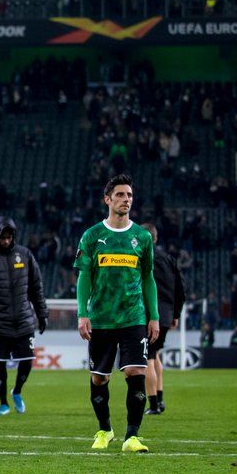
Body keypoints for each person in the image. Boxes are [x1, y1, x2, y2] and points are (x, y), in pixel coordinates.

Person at [75, 174, 159, 453]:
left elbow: (148, 278)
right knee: (99, 377)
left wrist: (154, 316)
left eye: (129, 195)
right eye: (120, 195)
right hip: (101, 318)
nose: (126, 199)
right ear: (107, 200)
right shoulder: (92, 236)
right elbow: (84, 277)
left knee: (136, 371)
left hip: (134, 317)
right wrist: (83, 313)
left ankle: (132, 436)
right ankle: (105, 430)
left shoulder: (142, 238)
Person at [0, 216, 48, 416]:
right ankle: (3, 404)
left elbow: (36, 287)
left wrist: (42, 313)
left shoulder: (24, 254)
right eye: (3, 238)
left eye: (9, 237)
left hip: (23, 320)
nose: (6, 241)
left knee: (27, 361)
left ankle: (17, 391)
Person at [142, 223, 184, 416]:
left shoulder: (140, 258)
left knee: (147, 358)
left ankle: (153, 405)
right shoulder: (168, 259)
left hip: (147, 314)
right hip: (166, 315)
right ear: (156, 238)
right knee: (155, 353)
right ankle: (159, 398)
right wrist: (175, 314)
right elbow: (180, 289)